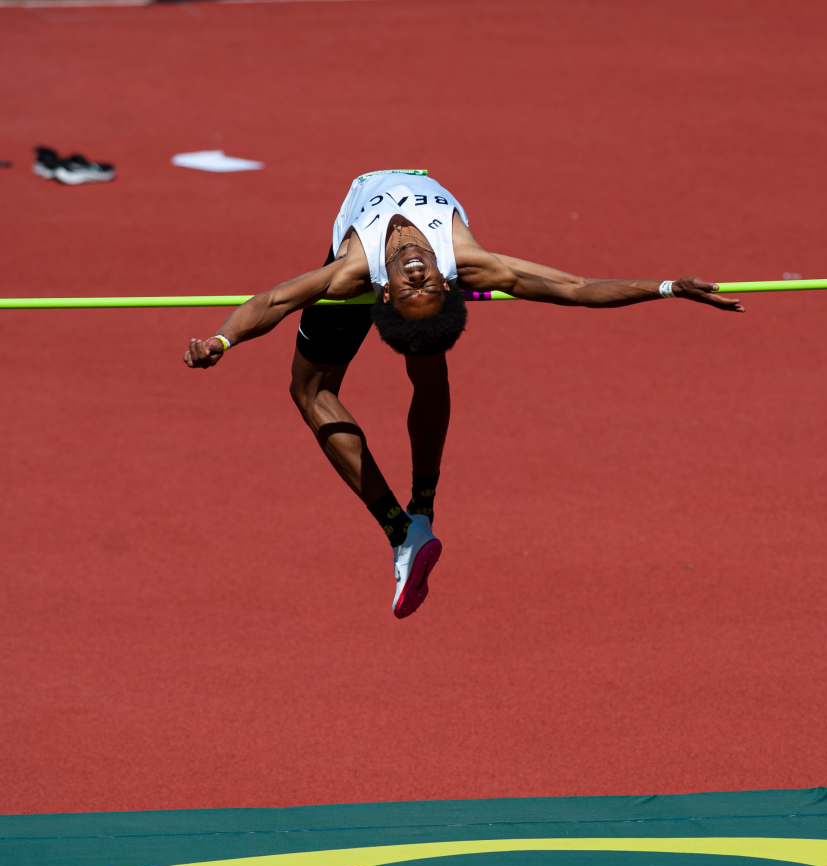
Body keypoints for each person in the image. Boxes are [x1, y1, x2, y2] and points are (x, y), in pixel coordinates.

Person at [183, 169, 742, 619]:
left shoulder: (358, 272)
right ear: (428, 288)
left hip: (357, 226)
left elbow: (273, 301)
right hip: (396, 243)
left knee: (342, 383)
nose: (419, 276)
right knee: (370, 379)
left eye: (414, 287)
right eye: (422, 285)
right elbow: (577, 288)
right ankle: (414, 520)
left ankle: (409, 526)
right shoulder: (454, 263)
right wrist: (667, 286)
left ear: (387, 295)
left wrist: (222, 338)